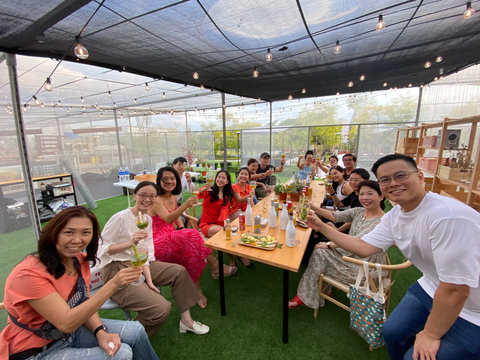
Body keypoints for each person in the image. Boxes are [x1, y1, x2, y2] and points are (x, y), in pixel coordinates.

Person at [305, 154, 480, 360]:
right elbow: (363, 246)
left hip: (472, 307)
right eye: (385, 180)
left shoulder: (447, 218)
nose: (393, 183)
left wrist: (431, 334)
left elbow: (456, 290)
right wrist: (320, 226)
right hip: (431, 286)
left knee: (415, 356)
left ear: (421, 177)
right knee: (391, 332)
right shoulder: (395, 216)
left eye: (401, 175)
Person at [0, 206, 159, 360]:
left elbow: (84, 303)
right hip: (36, 350)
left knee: (136, 330)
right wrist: (113, 284)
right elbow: (66, 323)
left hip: (71, 333)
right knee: (121, 353)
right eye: (68, 232)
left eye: (86, 233)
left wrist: (100, 331)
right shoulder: (28, 274)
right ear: (53, 233)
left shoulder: (79, 261)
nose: (77, 240)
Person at [99, 181, 210, 337]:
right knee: (161, 308)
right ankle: (126, 337)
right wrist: (130, 243)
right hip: (118, 269)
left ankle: (187, 321)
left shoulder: (147, 219)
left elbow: (147, 251)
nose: (147, 199)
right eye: (142, 195)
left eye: (152, 196)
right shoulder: (120, 218)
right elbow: (102, 250)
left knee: (178, 272)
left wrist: (149, 280)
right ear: (134, 196)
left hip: (142, 264)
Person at [289, 180, 387, 309]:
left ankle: (306, 295)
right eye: (362, 194)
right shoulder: (360, 211)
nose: (365, 198)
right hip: (349, 253)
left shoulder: (383, 222)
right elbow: (335, 216)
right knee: (319, 250)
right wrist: (310, 206)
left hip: (364, 266)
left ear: (381, 196)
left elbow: (358, 243)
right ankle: (316, 292)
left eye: (370, 194)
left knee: (319, 252)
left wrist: (329, 244)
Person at [148, 166, 222, 309]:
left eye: (172, 178)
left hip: (172, 235)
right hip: (156, 240)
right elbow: (169, 218)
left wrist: (182, 229)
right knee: (194, 235)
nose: (169, 181)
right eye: (165, 179)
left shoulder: (173, 196)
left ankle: (197, 290)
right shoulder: (156, 199)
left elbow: (176, 218)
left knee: (192, 248)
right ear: (159, 181)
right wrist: (186, 205)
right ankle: (214, 266)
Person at [198, 170, 250, 271]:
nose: (220, 179)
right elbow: (199, 195)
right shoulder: (209, 191)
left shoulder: (226, 196)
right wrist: (203, 189)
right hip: (206, 224)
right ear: (215, 178)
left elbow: (224, 213)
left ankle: (232, 259)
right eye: (219, 177)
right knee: (225, 234)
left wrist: (227, 224)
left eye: (223, 178)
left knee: (228, 233)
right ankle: (220, 265)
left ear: (227, 182)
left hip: (218, 224)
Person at [230, 167, 258, 269]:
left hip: (244, 211)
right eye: (241, 174)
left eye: (246, 174)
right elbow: (240, 200)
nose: (243, 176)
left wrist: (252, 199)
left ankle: (246, 245)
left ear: (248, 177)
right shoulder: (234, 187)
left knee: (255, 220)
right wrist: (249, 196)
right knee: (247, 221)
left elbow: (251, 203)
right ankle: (240, 255)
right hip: (234, 211)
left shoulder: (248, 187)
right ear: (238, 175)